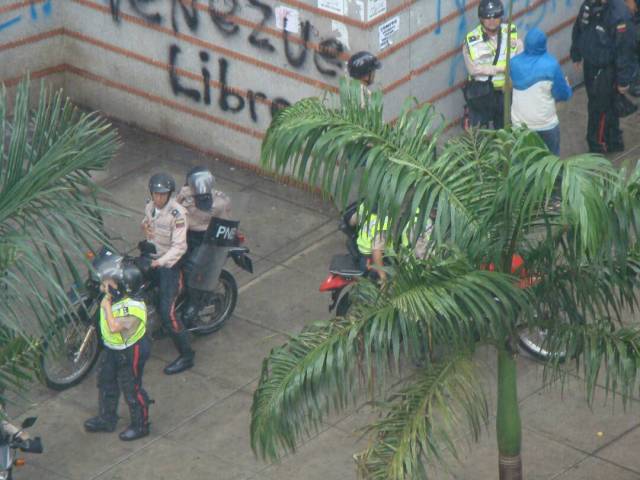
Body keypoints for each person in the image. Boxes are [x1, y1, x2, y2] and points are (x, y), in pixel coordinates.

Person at [83, 264, 151, 441]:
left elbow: (114, 327)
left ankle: (141, 425)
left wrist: (105, 307)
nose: (105, 285)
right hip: (112, 349)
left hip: (130, 350)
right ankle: (107, 419)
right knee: (106, 382)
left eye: (109, 283)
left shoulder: (134, 308)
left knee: (132, 388)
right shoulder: (114, 297)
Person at [142, 172, 194, 375]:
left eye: (163, 194)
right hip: (153, 257)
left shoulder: (177, 214)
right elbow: (147, 224)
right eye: (155, 193)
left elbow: (179, 247)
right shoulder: (150, 207)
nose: (158, 198)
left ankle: (187, 355)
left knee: (167, 312)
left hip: (171, 264)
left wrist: (160, 262)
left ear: (170, 194)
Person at [571, 0, 639, 153]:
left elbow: (625, 50)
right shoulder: (589, 5)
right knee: (601, 105)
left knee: (599, 109)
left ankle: (597, 144)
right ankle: (613, 139)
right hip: (591, 65)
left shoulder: (619, 14)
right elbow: (579, 27)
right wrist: (576, 53)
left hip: (607, 69)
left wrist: (623, 80)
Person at [176, 166, 232, 325]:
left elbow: (226, 222)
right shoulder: (183, 198)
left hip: (209, 240)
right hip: (187, 236)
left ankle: (193, 304)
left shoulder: (220, 201)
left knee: (191, 268)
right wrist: (181, 197)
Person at [510, 28, 573, 155]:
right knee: (550, 163)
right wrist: (567, 87)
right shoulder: (551, 65)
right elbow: (562, 95)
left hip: (520, 126)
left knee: (526, 162)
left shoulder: (513, 63)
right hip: (545, 124)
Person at [462, 0, 523, 129]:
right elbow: (473, 69)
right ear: (481, 18)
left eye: (495, 16)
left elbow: (520, 56)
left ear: (501, 16)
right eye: (487, 17)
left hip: (505, 92)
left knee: (505, 131)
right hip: (482, 93)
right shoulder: (472, 39)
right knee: (480, 134)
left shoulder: (510, 32)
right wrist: (500, 69)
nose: (492, 20)